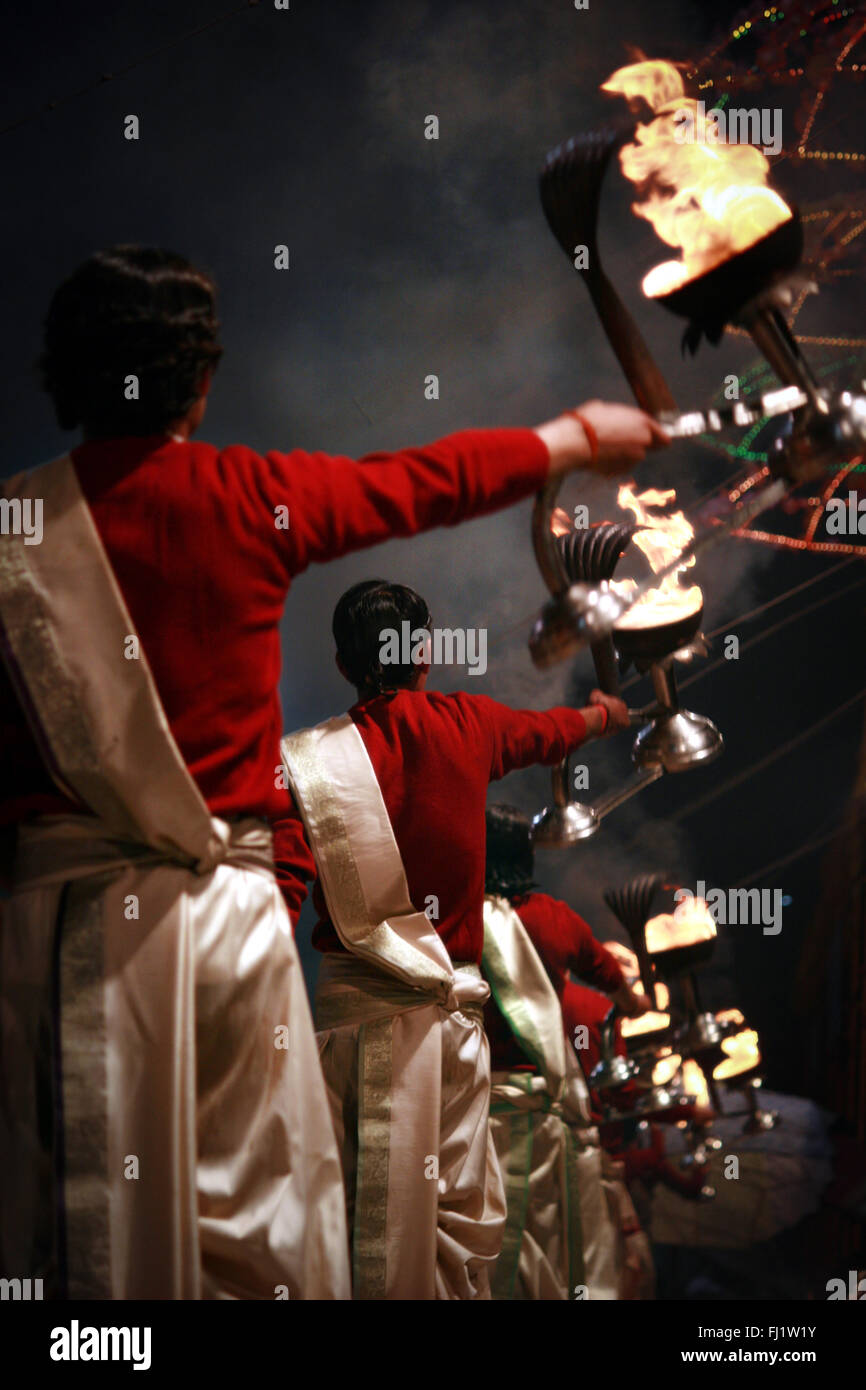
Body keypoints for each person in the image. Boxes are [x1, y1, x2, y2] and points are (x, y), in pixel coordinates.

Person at [0, 245, 669, 1301]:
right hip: (221, 940)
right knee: (259, 1238)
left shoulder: (13, 530)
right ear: (202, 380)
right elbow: (422, 485)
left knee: (64, 1236)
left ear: (56, 371)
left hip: (47, 934)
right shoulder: (250, 496)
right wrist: (571, 440)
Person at [279, 579, 634, 1299]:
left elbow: (277, 891)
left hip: (351, 1036)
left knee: (355, 1229)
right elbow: (551, 732)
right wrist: (604, 714)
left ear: (346, 666)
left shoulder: (307, 763)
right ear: (426, 652)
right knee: (452, 1237)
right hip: (450, 1041)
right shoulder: (470, 723)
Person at [481, 803, 653, 1299]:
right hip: (540, 1109)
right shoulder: (558, 919)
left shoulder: (458, 917)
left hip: (467, 1108)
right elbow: (631, 1001)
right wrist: (644, 992)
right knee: (548, 1245)